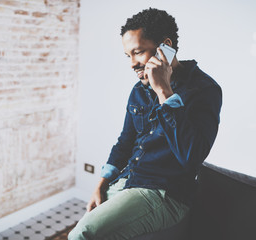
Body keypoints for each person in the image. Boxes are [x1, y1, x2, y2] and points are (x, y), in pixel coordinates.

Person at [69, 7, 222, 240]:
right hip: (129, 180)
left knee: (82, 234)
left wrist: (164, 92)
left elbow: (192, 156)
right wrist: (101, 183)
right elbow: (125, 141)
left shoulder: (205, 90)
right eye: (127, 55)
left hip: (164, 194)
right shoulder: (139, 90)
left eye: (138, 52)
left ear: (165, 46)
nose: (132, 63)